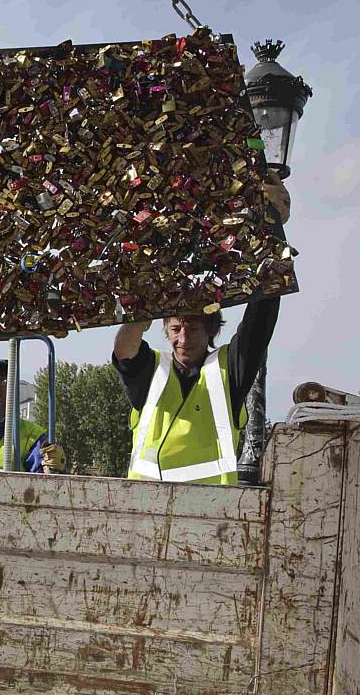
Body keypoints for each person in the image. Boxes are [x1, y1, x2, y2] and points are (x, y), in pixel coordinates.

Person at [111, 173, 290, 485]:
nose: (183, 338)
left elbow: (261, 317)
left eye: (192, 328)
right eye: (176, 328)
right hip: (141, 506)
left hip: (209, 513)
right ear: (165, 331)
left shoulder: (229, 370)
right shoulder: (152, 370)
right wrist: (147, 300)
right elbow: (124, 349)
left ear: (211, 330)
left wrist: (271, 230)